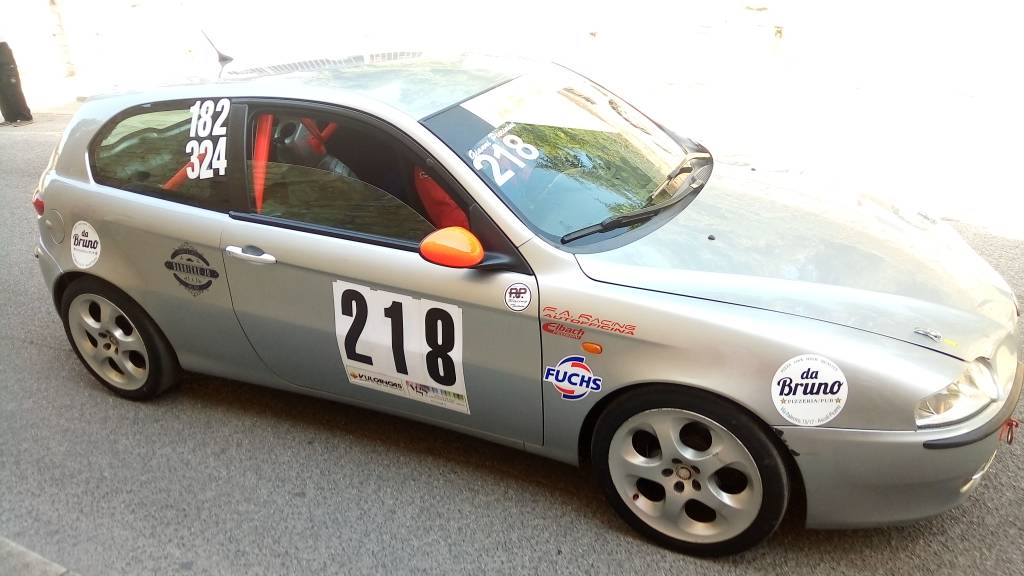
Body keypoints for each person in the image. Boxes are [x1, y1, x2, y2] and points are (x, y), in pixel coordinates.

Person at [0, 26, 34, 127]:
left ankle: (26, 117)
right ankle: (10, 117)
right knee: (1, 90)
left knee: (11, 85)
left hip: (1, 49)